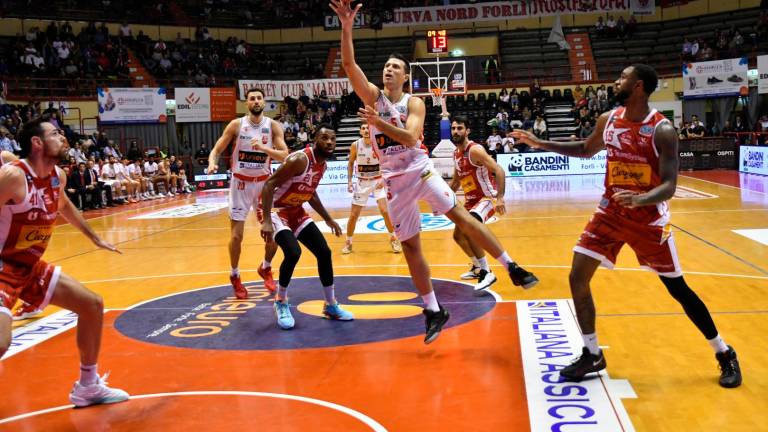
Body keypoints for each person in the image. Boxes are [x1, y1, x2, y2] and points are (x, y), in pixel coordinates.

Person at [512, 64, 742, 388]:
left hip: (648, 220)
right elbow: (584, 149)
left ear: (639, 87)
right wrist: (541, 143)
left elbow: (670, 185)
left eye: (623, 77)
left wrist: (643, 199)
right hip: (610, 213)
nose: (617, 80)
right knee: (577, 275)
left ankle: (724, 352)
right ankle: (592, 353)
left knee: (678, 289)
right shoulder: (608, 120)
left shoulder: (662, 130)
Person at [332, 0, 538, 344]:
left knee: (462, 217)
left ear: (405, 76)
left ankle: (511, 265)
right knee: (411, 247)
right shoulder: (372, 96)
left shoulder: (413, 102)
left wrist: (378, 122)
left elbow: (411, 136)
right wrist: (347, 27)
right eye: (385, 66)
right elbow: (349, 64)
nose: (388, 70)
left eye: (395, 67)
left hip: (420, 170)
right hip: (395, 181)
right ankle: (432, 309)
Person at [0, 118, 129, 406]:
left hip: (29, 268)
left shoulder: (58, 176)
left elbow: (65, 206)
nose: (63, 138)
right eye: (55, 134)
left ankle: (88, 386)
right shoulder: (13, 176)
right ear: (37, 143)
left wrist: (94, 238)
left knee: (91, 305)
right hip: (2, 267)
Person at [259, 125, 353, 329]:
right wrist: (266, 220)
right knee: (293, 252)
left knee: (324, 252)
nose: (329, 142)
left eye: (333, 139)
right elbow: (268, 185)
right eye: (325, 138)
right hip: (276, 210)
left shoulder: (323, 166)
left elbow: (310, 193)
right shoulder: (299, 159)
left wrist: (328, 218)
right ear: (314, 140)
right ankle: (281, 302)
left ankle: (331, 305)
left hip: (296, 210)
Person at [207, 88, 288, 297]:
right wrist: (212, 162)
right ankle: (234, 275)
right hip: (240, 184)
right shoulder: (237, 125)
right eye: (252, 98)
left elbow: (284, 156)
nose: (256, 101)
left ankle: (266, 267)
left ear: (264, 102)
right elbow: (216, 149)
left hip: (264, 184)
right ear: (247, 104)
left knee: (274, 233)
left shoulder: (272, 126)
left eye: (259, 98)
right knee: (236, 237)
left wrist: (264, 149)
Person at [448, 116, 507, 292]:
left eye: (460, 128)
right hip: (470, 201)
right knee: (458, 236)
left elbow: (499, 170)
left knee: (470, 227)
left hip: (486, 199)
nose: (456, 131)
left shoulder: (475, 150)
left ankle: (486, 271)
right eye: (453, 128)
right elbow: (456, 182)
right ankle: (476, 267)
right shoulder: (456, 154)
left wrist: (500, 198)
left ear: (468, 131)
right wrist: (442, 198)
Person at [342, 123, 401, 255]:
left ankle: (393, 239)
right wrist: (350, 181)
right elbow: (351, 162)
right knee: (353, 216)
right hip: (362, 183)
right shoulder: (355, 145)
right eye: (363, 128)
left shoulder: (379, 143)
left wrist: (384, 179)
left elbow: (389, 162)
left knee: (385, 211)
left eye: (368, 128)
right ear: (360, 131)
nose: (366, 130)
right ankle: (348, 242)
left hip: (378, 181)